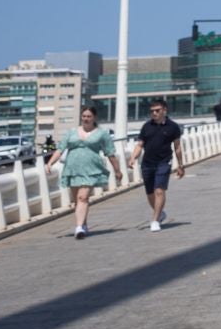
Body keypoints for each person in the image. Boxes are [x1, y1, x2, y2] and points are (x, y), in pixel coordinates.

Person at [47, 105, 121, 239]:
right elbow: (60, 149)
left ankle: (79, 227)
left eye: (89, 116)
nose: (86, 119)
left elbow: (110, 153)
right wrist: (50, 163)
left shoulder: (102, 133)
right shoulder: (71, 132)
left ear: (94, 118)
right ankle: (83, 224)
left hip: (91, 169)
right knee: (77, 200)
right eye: (84, 116)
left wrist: (117, 170)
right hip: (72, 169)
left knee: (83, 197)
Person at [127, 101, 185, 231]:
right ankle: (160, 213)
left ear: (165, 110)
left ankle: (155, 220)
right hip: (147, 163)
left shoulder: (173, 127)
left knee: (159, 190)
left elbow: (177, 147)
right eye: (152, 111)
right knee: (150, 193)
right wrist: (132, 158)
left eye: (157, 110)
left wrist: (180, 165)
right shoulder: (146, 126)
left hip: (164, 162)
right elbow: (140, 144)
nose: (154, 113)